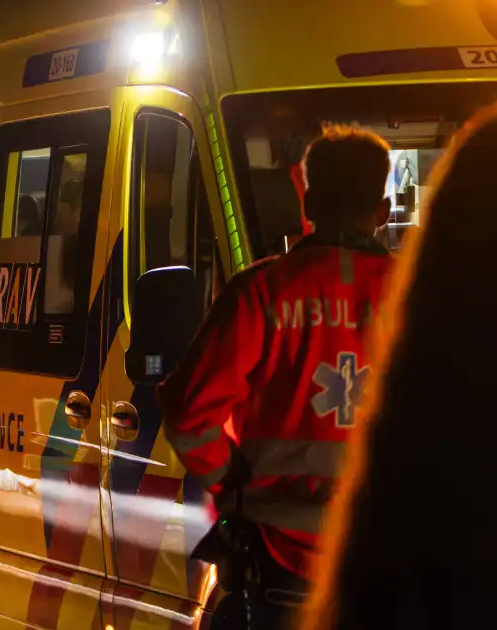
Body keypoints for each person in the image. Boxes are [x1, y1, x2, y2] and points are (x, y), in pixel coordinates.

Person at [157, 124, 396, 629]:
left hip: (277, 558)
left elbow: (188, 414)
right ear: (384, 211)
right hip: (392, 555)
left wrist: (229, 480)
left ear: (307, 204)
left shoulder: (260, 293)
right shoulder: (424, 296)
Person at [301, 108, 497, 630]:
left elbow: (192, 404)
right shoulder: (400, 293)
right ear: (385, 210)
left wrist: (238, 492)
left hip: (287, 548)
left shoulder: (257, 293)